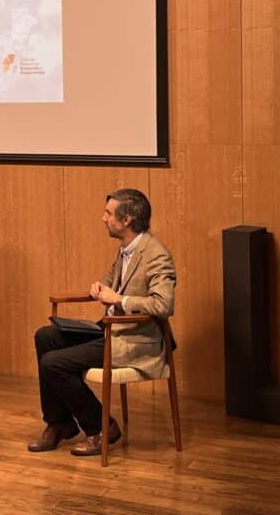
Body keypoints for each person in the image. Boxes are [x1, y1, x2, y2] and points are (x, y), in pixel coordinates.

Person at [28, 188, 176, 456]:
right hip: (111, 330)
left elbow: (163, 304)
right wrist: (99, 286)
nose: (103, 218)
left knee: (53, 364)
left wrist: (119, 299)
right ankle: (60, 423)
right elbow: (113, 281)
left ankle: (101, 427)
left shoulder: (156, 255)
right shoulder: (126, 249)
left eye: (108, 213)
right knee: (45, 336)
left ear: (127, 219)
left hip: (135, 340)